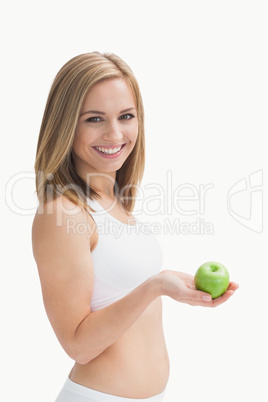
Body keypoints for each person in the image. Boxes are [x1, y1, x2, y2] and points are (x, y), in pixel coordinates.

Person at [32, 51, 239, 402]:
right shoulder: (62, 213)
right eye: (95, 119)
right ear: (67, 124)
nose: (115, 133)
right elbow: (78, 344)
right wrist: (155, 286)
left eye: (126, 116)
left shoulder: (113, 198)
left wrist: (166, 281)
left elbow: (114, 288)